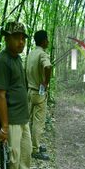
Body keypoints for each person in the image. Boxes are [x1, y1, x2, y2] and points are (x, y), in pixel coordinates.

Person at [0, 21, 38, 169]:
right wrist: (3, 125)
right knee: (13, 155)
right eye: (17, 38)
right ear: (7, 38)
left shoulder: (17, 59)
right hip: (10, 119)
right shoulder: (2, 62)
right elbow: (0, 95)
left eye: (23, 38)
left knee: (25, 151)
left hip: (22, 117)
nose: (21, 42)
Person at [26, 30, 52, 161]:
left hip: (30, 92)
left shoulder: (30, 54)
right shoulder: (42, 54)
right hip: (39, 92)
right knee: (38, 122)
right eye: (47, 39)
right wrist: (45, 82)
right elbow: (48, 67)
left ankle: (31, 145)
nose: (48, 41)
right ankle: (35, 149)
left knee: (29, 120)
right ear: (43, 41)